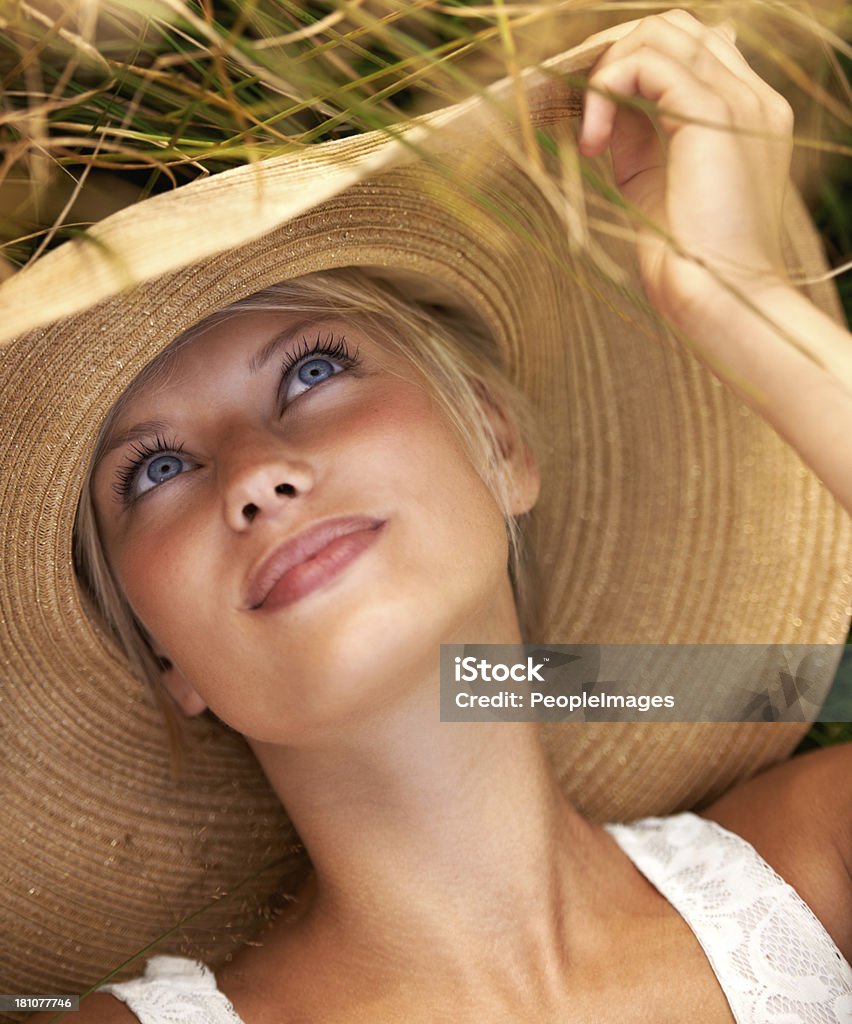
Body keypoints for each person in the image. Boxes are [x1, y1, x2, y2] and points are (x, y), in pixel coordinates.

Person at [4, 8, 849, 1023]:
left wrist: (737, 305)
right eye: (155, 469)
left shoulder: (815, 877)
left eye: (313, 370)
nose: (255, 476)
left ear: (497, 440)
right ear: (161, 648)